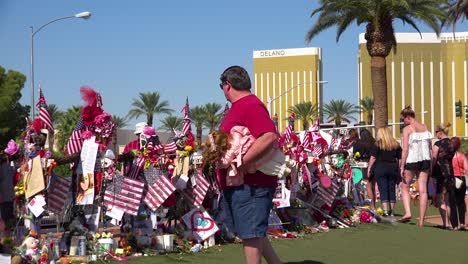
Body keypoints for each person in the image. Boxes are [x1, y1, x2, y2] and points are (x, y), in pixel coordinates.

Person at [217, 66, 281, 264]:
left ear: (228, 85)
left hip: (251, 184)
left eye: (221, 86)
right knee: (254, 231)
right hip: (244, 184)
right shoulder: (242, 106)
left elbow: (269, 136)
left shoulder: (250, 105)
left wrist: (242, 163)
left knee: (251, 234)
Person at [399, 106, 432, 226]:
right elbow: (429, 146)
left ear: (408, 118)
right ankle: (421, 221)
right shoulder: (424, 127)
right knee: (423, 190)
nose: (403, 122)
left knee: (404, 186)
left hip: (413, 159)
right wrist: (431, 164)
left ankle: (408, 212)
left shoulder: (408, 129)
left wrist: (402, 166)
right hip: (425, 160)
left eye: (403, 120)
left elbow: (405, 149)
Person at [368, 127, 401, 216]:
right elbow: (400, 158)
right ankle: (392, 211)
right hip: (393, 167)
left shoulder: (378, 144)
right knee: (391, 189)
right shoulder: (396, 144)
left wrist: (369, 168)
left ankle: (386, 210)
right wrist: (400, 169)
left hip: (381, 167)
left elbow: (373, 157)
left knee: (383, 189)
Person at [353, 129, 376, 209]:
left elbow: (355, 156)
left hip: (365, 165)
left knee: (368, 186)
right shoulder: (374, 143)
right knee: (373, 186)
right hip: (374, 164)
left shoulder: (358, 144)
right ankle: (374, 205)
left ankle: (372, 206)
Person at [450, 137, 467, 230]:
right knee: (461, 202)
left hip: (452, 179)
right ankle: (462, 223)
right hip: (461, 179)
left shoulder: (449, 156)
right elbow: (466, 169)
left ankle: (455, 225)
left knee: (452, 203)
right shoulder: (462, 156)